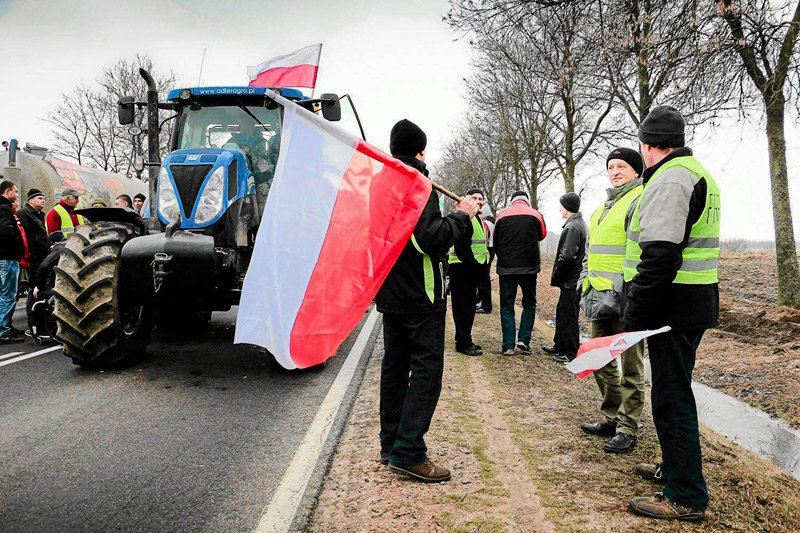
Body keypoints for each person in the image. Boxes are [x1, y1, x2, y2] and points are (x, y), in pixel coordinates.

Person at [624, 106, 720, 522]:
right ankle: (674, 467)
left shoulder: (670, 179)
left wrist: (635, 314)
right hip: (691, 302)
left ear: (647, 145)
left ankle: (686, 494)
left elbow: (660, 255)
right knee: (670, 392)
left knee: (672, 397)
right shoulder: (698, 172)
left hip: (674, 306)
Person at [375, 118, 478, 483]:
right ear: (421, 151)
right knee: (425, 373)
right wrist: (462, 216)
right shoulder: (417, 184)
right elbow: (430, 240)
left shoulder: (380, 182)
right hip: (422, 295)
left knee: (394, 369)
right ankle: (409, 452)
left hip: (390, 292)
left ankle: (390, 445)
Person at [578, 148, 645, 454]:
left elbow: (640, 251)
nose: (615, 171)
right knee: (598, 359)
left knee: (631, 366)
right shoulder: (601, 208)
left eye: (622, 166)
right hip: (597, 296)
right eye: (611, 167)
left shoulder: (639, 199)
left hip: (625, 298)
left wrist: (626, 289)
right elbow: (591, 252)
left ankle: (628, 427)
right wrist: (583, 282)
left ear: (635, 171)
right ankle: (611, 416)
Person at [493, 190, 547, 355]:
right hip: (529, 268)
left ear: (512, 201)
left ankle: (508, 345)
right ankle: (523, 339)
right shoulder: (535, 214)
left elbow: (495, 240)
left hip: (507, 268)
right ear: (527, 201)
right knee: (529, 303)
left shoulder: (501, 216)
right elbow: (542, 235)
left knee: (507, 306)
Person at [544, 192, 586, 363]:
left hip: (571, 280)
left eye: (561, 205)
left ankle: (569, 353)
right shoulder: (576, 223)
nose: (559, 209)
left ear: (567, 207)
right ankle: (559, 346)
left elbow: (567, 256)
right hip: (571, 280)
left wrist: (557, 274)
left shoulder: (573, 227)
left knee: (569, 316)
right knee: (562, 313)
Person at [448, 187, 489, 356]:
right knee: (464, 309)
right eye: (474, 198)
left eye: (481, 199)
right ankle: (463, 343)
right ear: (466, 199)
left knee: (468, 308)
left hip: (469, 269)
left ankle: (465, 339)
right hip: (463, 269)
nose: (478, 201)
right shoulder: (467, 218)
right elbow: (462, 247)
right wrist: (474, 267)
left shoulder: (477, 218)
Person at [16, 189, 49, 332]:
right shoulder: (23, 214)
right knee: (34, 290)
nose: (43, 200)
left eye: (43, 198)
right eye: (40, 198)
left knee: (40, 289)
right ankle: (34, 323)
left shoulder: (39, 215)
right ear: (31, 200)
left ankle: (41, 322)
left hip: (42, 257)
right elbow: (24, 237)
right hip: (33, 258)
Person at [0, 181, 25, 343]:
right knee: (8, 295)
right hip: (7, 257)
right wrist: (18, 245)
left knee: (5, 294)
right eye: (15, 191)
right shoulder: (3, 209)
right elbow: (5, 232)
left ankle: (6, 325)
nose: (17, 194)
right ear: (7, 191)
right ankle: (4, 330)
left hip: (5, 257)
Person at [475, 210, 495, 314]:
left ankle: (486, 305)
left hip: (486, 251)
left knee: (483, 280)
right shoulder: (492, 223)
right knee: (484, 279)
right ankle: (481, 301)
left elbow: (484, 239)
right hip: (490, 250)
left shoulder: (486, 224)